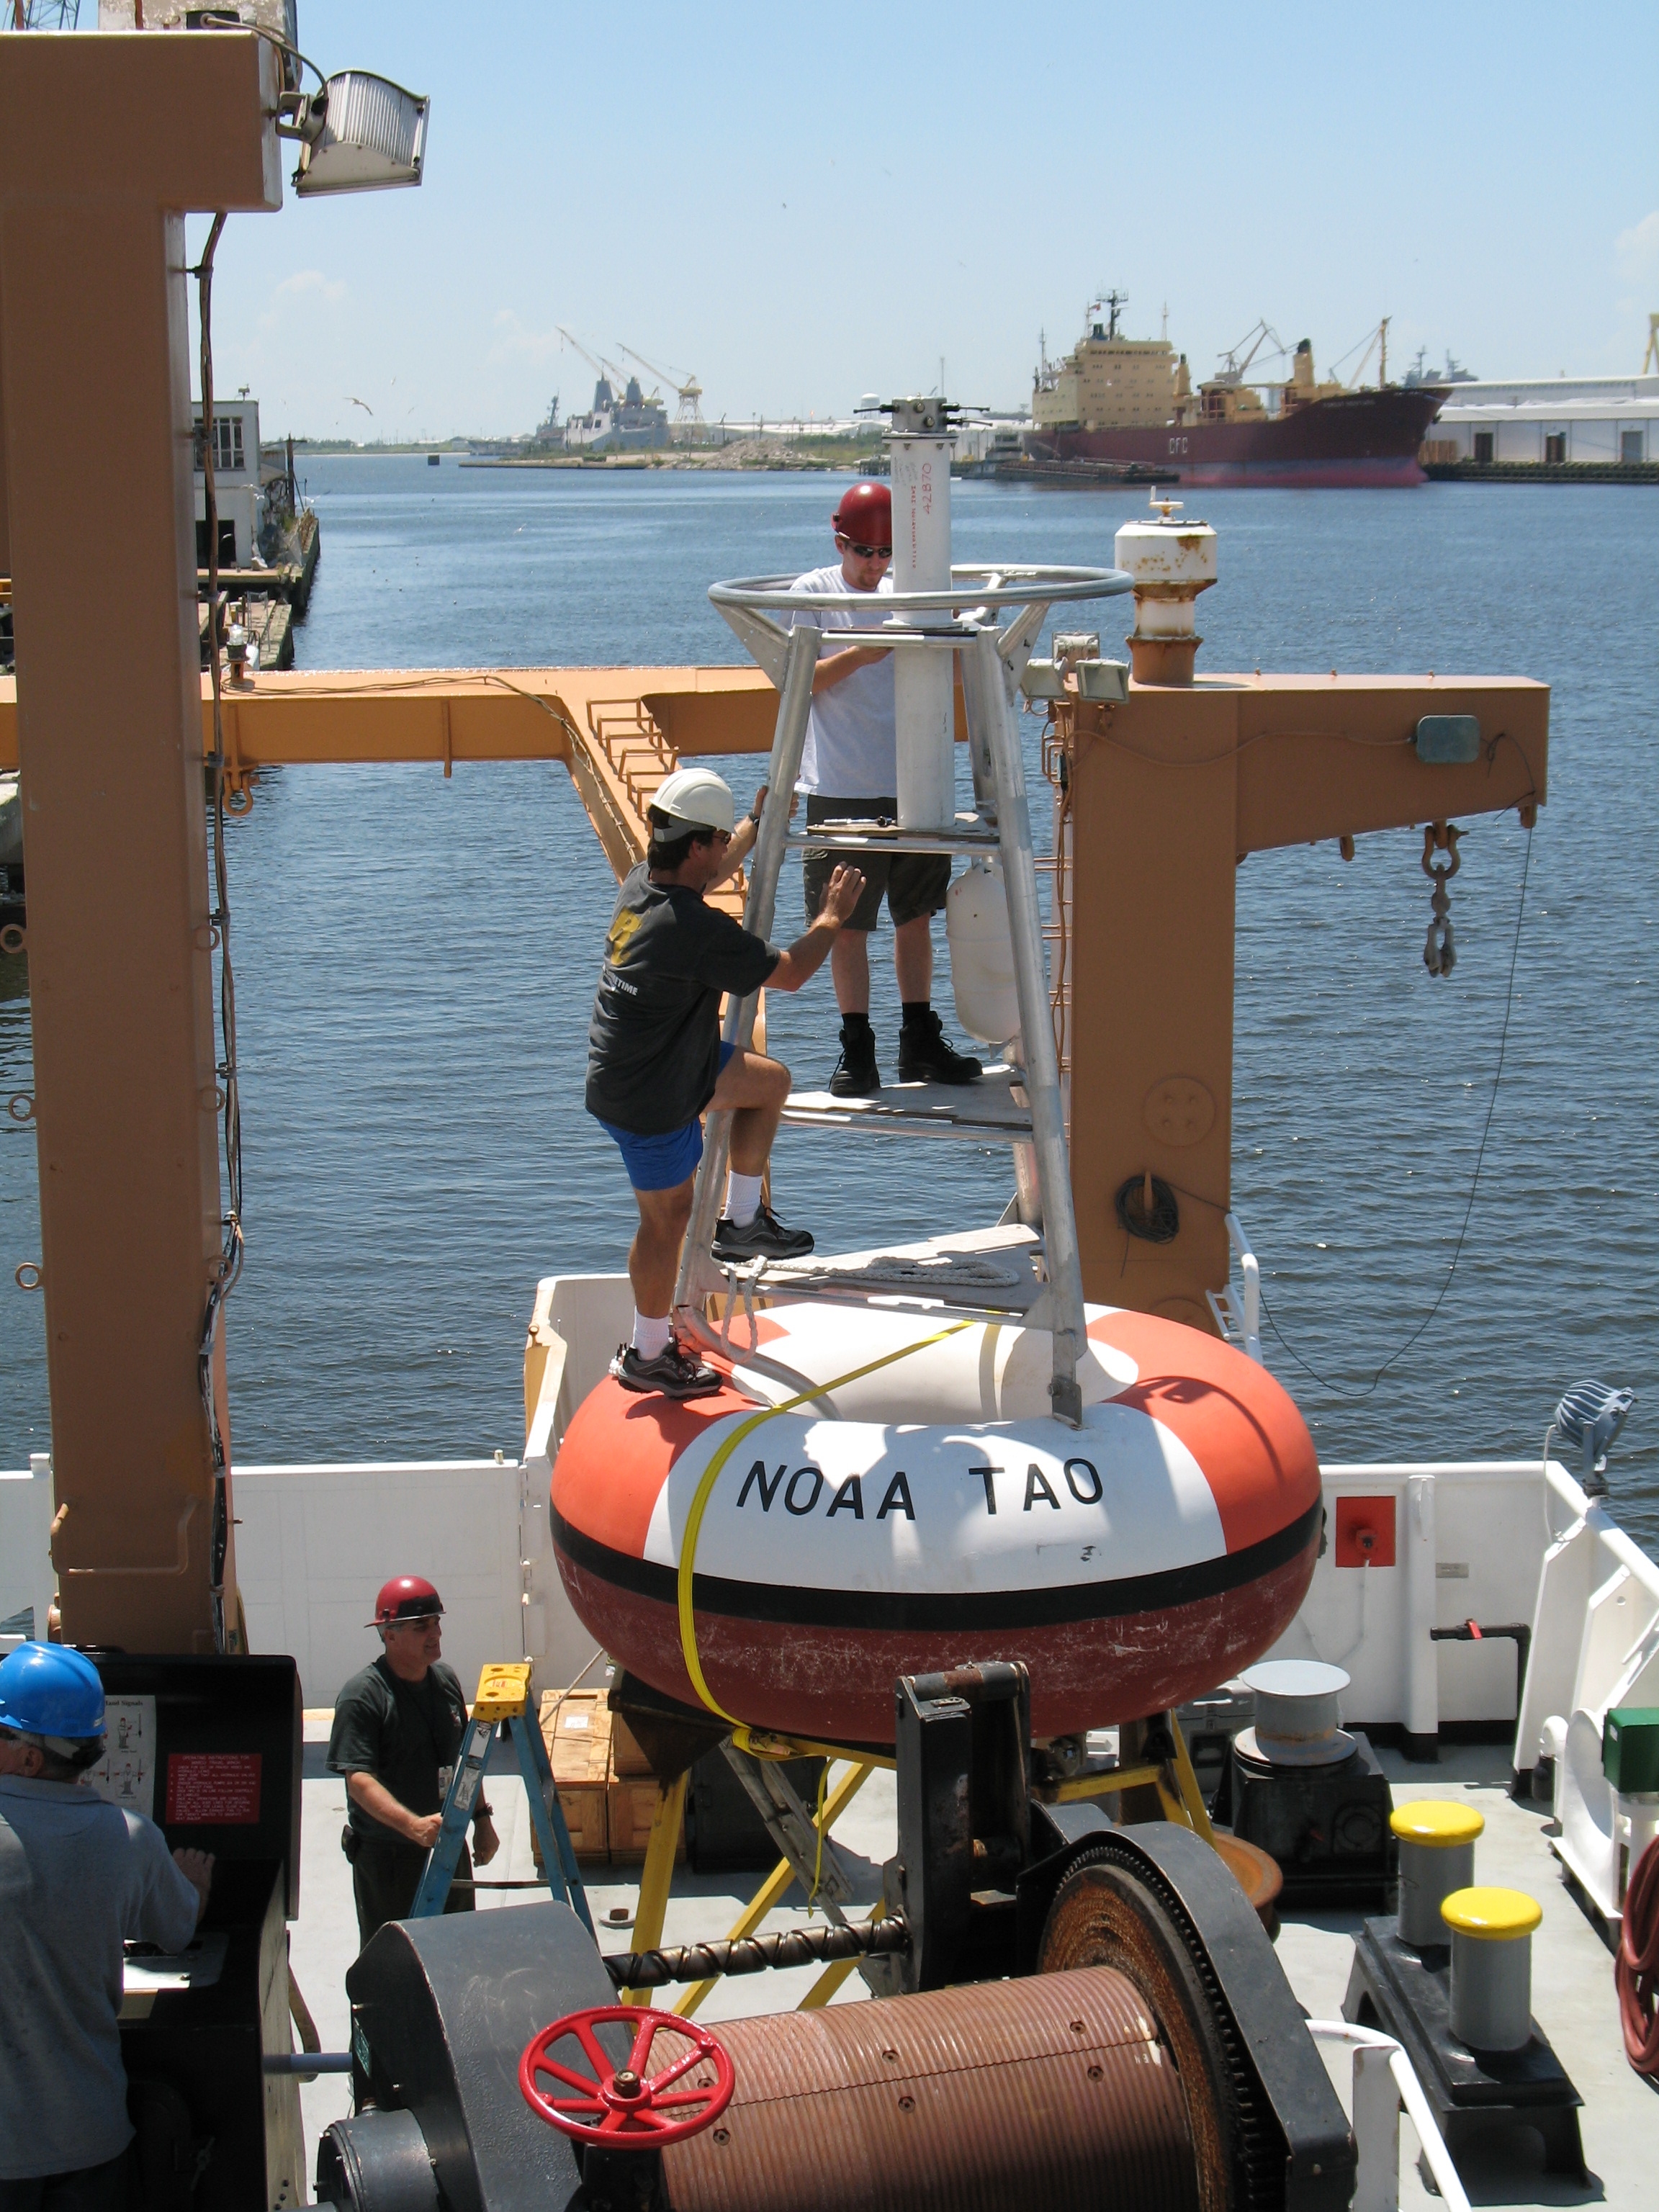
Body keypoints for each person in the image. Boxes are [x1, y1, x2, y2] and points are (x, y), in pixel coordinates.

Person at [585, 765, 866, 1399]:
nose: (722, 852)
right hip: (648, 1093)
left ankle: (740, 1223)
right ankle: (647, 1353)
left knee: (768, 1084)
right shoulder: (692, 930)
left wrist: (756, 823)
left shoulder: (641, 886)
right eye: (716, 840)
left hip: (657, 1061)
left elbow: (713, 864)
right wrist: (832, 916)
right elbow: (790, 974)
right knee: (667, 1220)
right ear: (695, 847)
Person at [0, 1642, 213, 2212]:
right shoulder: (132, 1839)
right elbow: (177, 1928)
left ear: (29, 1758)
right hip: (89, 2138)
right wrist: (196, 1885)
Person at [792, 479, 984, 1097]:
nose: (874, 567)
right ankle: (856, 1046)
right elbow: (797, 681)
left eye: (883, 555)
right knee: (845, 923)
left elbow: (953, 659)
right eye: (863, 553)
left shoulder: (912, 591)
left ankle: (918, 1039)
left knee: (917, 916)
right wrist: (866, 649)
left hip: (914, 780)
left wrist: (973, 628)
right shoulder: (814, 593)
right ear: (838, 539)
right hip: (841, 784)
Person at [328, 1576, 499, 1951]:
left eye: (436, 1622)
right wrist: (414, 1826)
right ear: (389, 1635)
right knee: (397, 1967)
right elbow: (359, 1780)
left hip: (447, 1848)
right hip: (390, 1862)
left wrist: (482, 1819)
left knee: (458, 1956)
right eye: (422, 1626)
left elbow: (466, 1758)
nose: (435, 1633)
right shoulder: (363, 1697)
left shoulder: (446, 1681)